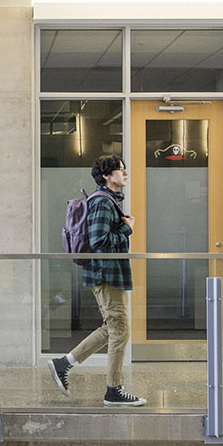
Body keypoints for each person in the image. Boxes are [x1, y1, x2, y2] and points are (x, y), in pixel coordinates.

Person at [46, 155, 146, 406]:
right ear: (106, 175)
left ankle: (63, 363)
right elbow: (99, 242)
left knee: (111, 327)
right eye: (120, 170)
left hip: (106, 274)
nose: (125, 173)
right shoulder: (103, 202)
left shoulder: (106, 200)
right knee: (120, 330)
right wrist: (127, 228)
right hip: (107, 274)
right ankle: (113, 390)